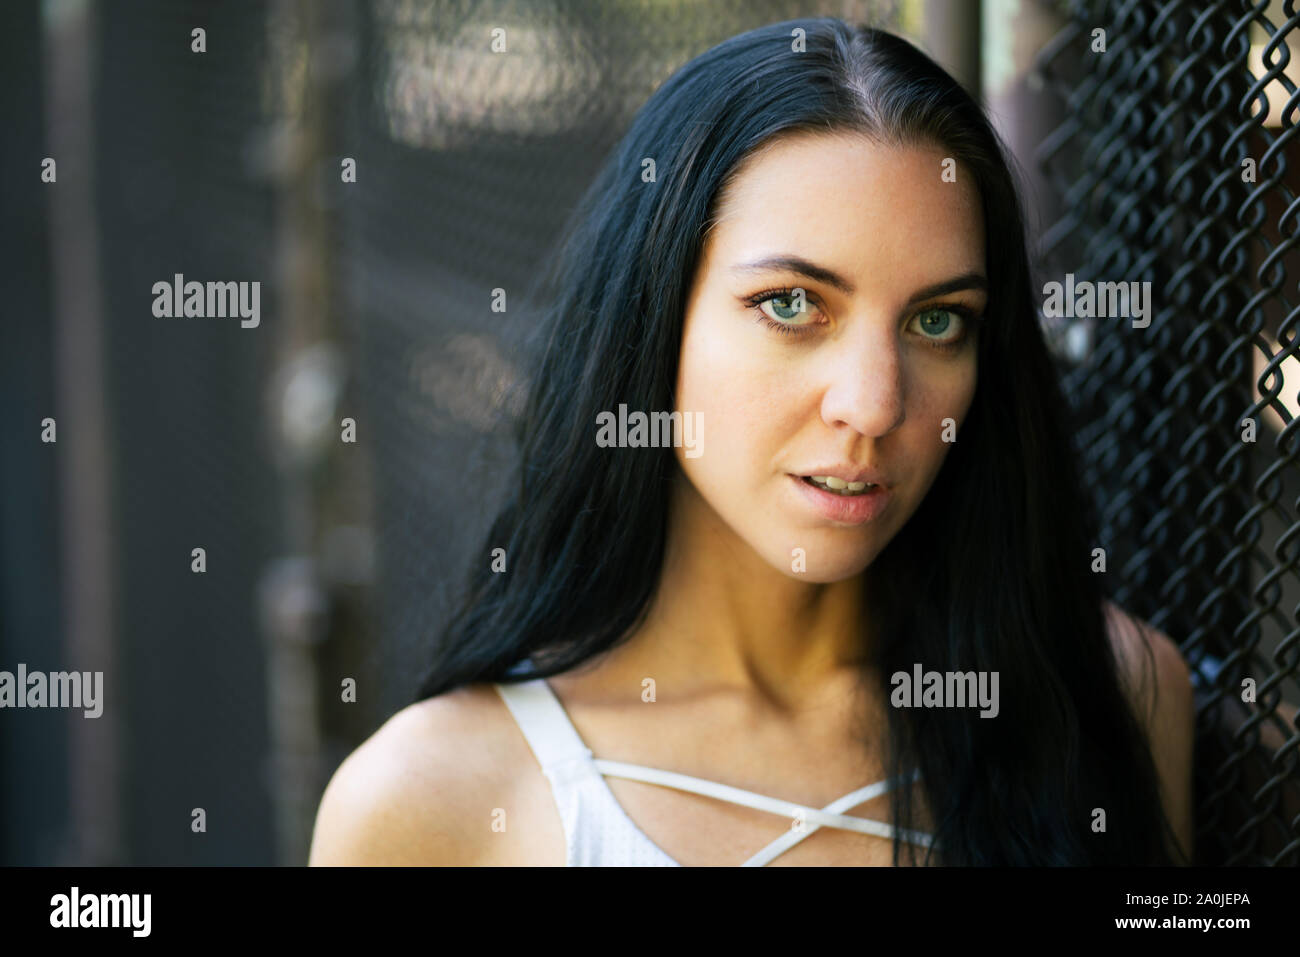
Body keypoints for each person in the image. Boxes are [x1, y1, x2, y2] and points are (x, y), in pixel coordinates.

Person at [309, 17, 1194, 867]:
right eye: (791, 304)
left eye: (936, 320)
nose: (874, 404)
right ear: (652, 320)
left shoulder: (1102, 694)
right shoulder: (436, 799)